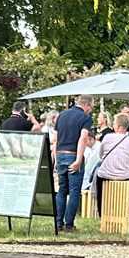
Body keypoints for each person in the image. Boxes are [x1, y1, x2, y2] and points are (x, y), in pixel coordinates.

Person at [51, 93, 93, 230]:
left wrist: (55, 159)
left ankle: (58, 223)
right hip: (73, 155)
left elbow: (55, 139)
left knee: (62, 190)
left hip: (60, 155)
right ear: (86, 104)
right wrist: (79, 159)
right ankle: (69, 224)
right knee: (74, 191)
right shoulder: (85, 118)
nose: (90, 110)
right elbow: (83, 138)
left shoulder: (62, 115)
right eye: (91, 107)